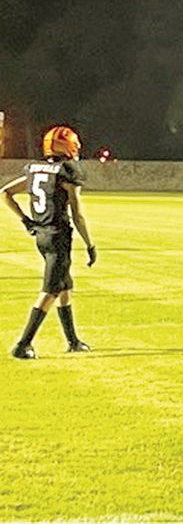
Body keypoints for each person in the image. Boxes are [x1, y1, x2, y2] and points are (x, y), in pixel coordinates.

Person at [2, 126, 97, 359]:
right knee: (50, 290)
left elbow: (5, 192)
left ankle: (73, 340)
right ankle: (23, 344)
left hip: (42, 236)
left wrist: (26, 220)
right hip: (58, 236)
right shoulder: (66, 172)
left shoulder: (36, 169)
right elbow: (77, 213)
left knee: (65, 285)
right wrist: (90, 244)